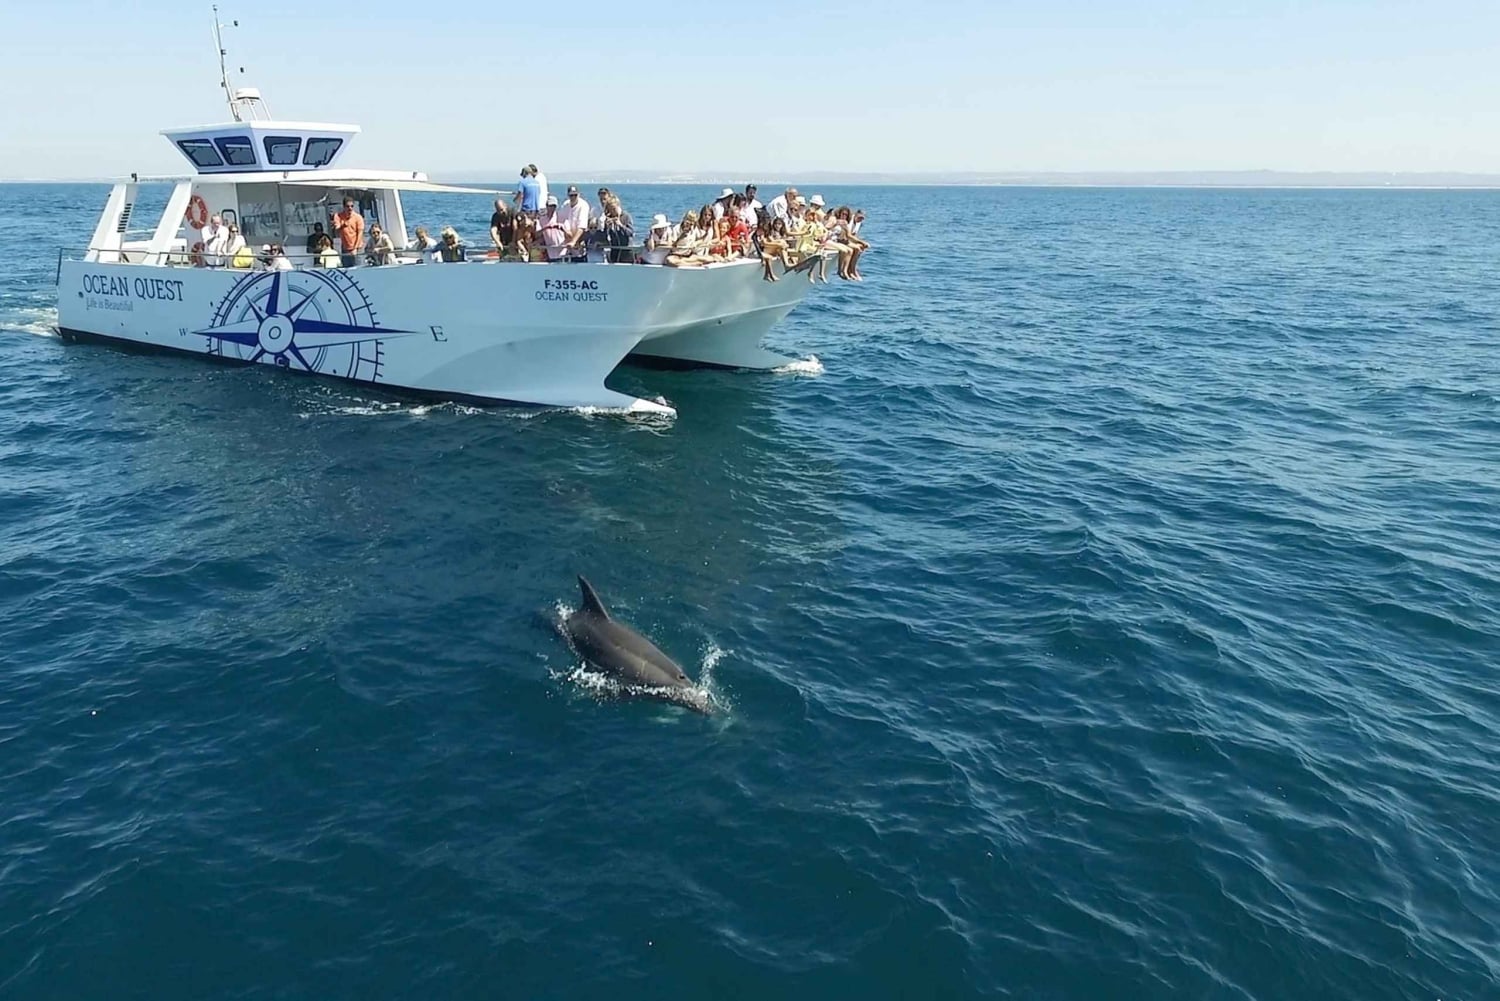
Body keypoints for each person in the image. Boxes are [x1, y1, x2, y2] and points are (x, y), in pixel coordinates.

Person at [331, 197, 365, 268]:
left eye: (352, 206)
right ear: (343, 207)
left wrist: (355, 249)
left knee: (359, 269)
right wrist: (342, 224)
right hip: (345, 249)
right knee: (347, 270)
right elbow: (336, 228)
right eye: (347, 206)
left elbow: (360, 234)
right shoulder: (338, 216)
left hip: (357, 249)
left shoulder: (358, 217)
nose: (350, 208)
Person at [600, 196, 635, 263]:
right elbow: (605, 237)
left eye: (614, 209)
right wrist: (607, 228)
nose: (612, 212)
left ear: (618, 206)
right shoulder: (609, 218)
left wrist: (621, 225)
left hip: (626, 252)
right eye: (610, 210)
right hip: (614, 252)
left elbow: (631, 233)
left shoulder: (626, 216)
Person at [535, 195, 569, 262]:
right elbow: (537, 235)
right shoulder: (541, 219)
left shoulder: (562, 218)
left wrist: (562, 229)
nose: (552, 208)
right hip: (549, 254)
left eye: (554, 206)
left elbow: (570, 235)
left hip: (563, 254)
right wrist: (546, 228)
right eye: (550, 206)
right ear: (546, 206)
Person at [561, 186, 591, 262]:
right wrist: (566, 231)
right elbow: (561, 221)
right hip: (566, 244)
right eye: (571, 195)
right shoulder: (565, 205)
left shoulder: (583, 205)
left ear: (579, 194)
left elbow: (582, 226)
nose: (573, 197)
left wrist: (573, 242)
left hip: (578, 244)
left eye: (575, 195)